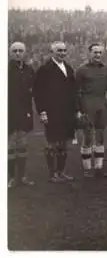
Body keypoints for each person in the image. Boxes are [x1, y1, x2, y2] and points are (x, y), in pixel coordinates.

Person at [34, 41, 77, 183]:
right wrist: (42, 112)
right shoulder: (45, 69)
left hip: (67, 112)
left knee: (64, 142)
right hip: (52, 111)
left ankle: (61, 171)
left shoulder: (69, 68)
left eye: (64, 50)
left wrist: (76, 110)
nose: (62, 53)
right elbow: (38, 93)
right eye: (59, 50)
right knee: (52, 142)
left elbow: (73, 91)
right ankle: (52, 174)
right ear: (52, 52)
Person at [75, 43, 107, 178]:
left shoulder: (106, 69)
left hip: (102, 103)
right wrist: (78, 109)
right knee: (88, 136)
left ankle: (99, 167)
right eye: (95, 52)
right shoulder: (82, 70)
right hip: (87, 104)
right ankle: (87, 168)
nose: (98, 55)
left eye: (100, 53)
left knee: (100, 136)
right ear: (89, 53)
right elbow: (76, 91)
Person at [8, 42, 36, 188]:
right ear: (10, 52)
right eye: (15, 51)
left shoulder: (29, 70)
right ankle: (11, 178)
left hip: (25, 111)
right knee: (11, 145)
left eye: (20, 50)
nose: (18, 53)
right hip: (9, 112)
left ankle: (23, 176)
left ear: (25, 52)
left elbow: (34, 89)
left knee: (23, 145)